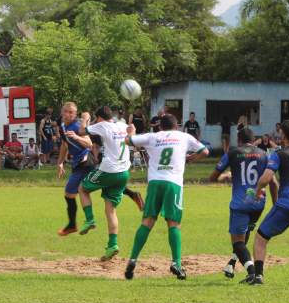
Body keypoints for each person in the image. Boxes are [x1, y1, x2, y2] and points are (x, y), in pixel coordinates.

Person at [125, 115, 209, 280]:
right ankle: (176, 263)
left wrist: (131, 131)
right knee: (174, 224)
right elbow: (205, 151)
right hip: (173, 183)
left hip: (155, 183)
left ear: (160, 127)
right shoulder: (184, 137)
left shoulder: (153, 136)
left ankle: (133, 260)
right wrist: (190, 159)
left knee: (147, 221)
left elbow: (128, 141)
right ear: (176, 126)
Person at [251, 120, 289, 285]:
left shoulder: (279, 154)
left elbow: (266, 177)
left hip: (286, 205)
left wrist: (258, 190)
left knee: (260, 238)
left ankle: (258, 276)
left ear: (283, 136)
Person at [67, 106, 132, 261]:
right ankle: (112, 245)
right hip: (124, 172)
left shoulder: (102, 125)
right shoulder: (122, 125)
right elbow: (131, 137)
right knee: (111, 210)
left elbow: (81, 132)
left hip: (109, 170)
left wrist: (85, 118)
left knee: (82, 188)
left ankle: (89, 220)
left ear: (101, 118)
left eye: (97, 119)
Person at [210, 128, 270, 281]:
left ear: (239, 139)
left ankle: (252, 271)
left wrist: (226, 176)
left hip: (241, 203)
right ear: (253, 139)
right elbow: (271, 179)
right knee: (246, 232)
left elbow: (213, 176)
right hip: (259, 202)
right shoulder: (264, 154)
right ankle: (232, 262)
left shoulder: (233, 153)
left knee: (238, 242)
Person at [56, 102, 94, 236]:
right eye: (66, 111)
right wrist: (60, 162)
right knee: (71, 194)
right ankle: (73, 224)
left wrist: (77, 136)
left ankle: (74, 224)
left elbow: (89, 144)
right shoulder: (62, 126)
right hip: (78, 164)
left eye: (71, 112)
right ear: (62, 112)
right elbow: (65, 145)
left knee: (70, 193)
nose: (68, 114)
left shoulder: (78, 125)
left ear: (75, 114)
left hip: (86, 163)